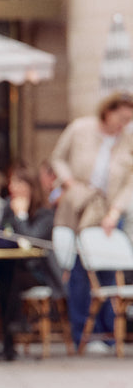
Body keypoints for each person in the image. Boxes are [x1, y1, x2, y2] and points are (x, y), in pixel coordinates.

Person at [50, 91, 133, 347]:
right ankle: (82, 332)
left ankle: (108, 333)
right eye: (121, 117)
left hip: (108, 211)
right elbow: (57, 158)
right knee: (79, 272)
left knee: (109, 272)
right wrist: (68, 182)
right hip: (78, 207)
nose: (124, 123)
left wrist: (116, 211)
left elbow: (130, 181)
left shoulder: (128, 140)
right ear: (108, 112)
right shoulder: (80, 129)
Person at [0, 164, 62, 360]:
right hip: (12, 266)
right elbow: (2, 235)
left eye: (19, 182)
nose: (13, 187)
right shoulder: (7, 207)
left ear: (31, 186)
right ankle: (8, 334)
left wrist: (20, 216)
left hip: (39, 271)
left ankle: (10, 334)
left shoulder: (45, 213)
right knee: (4, 278)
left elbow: (31, 242)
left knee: (11, 279)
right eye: (12, 182)